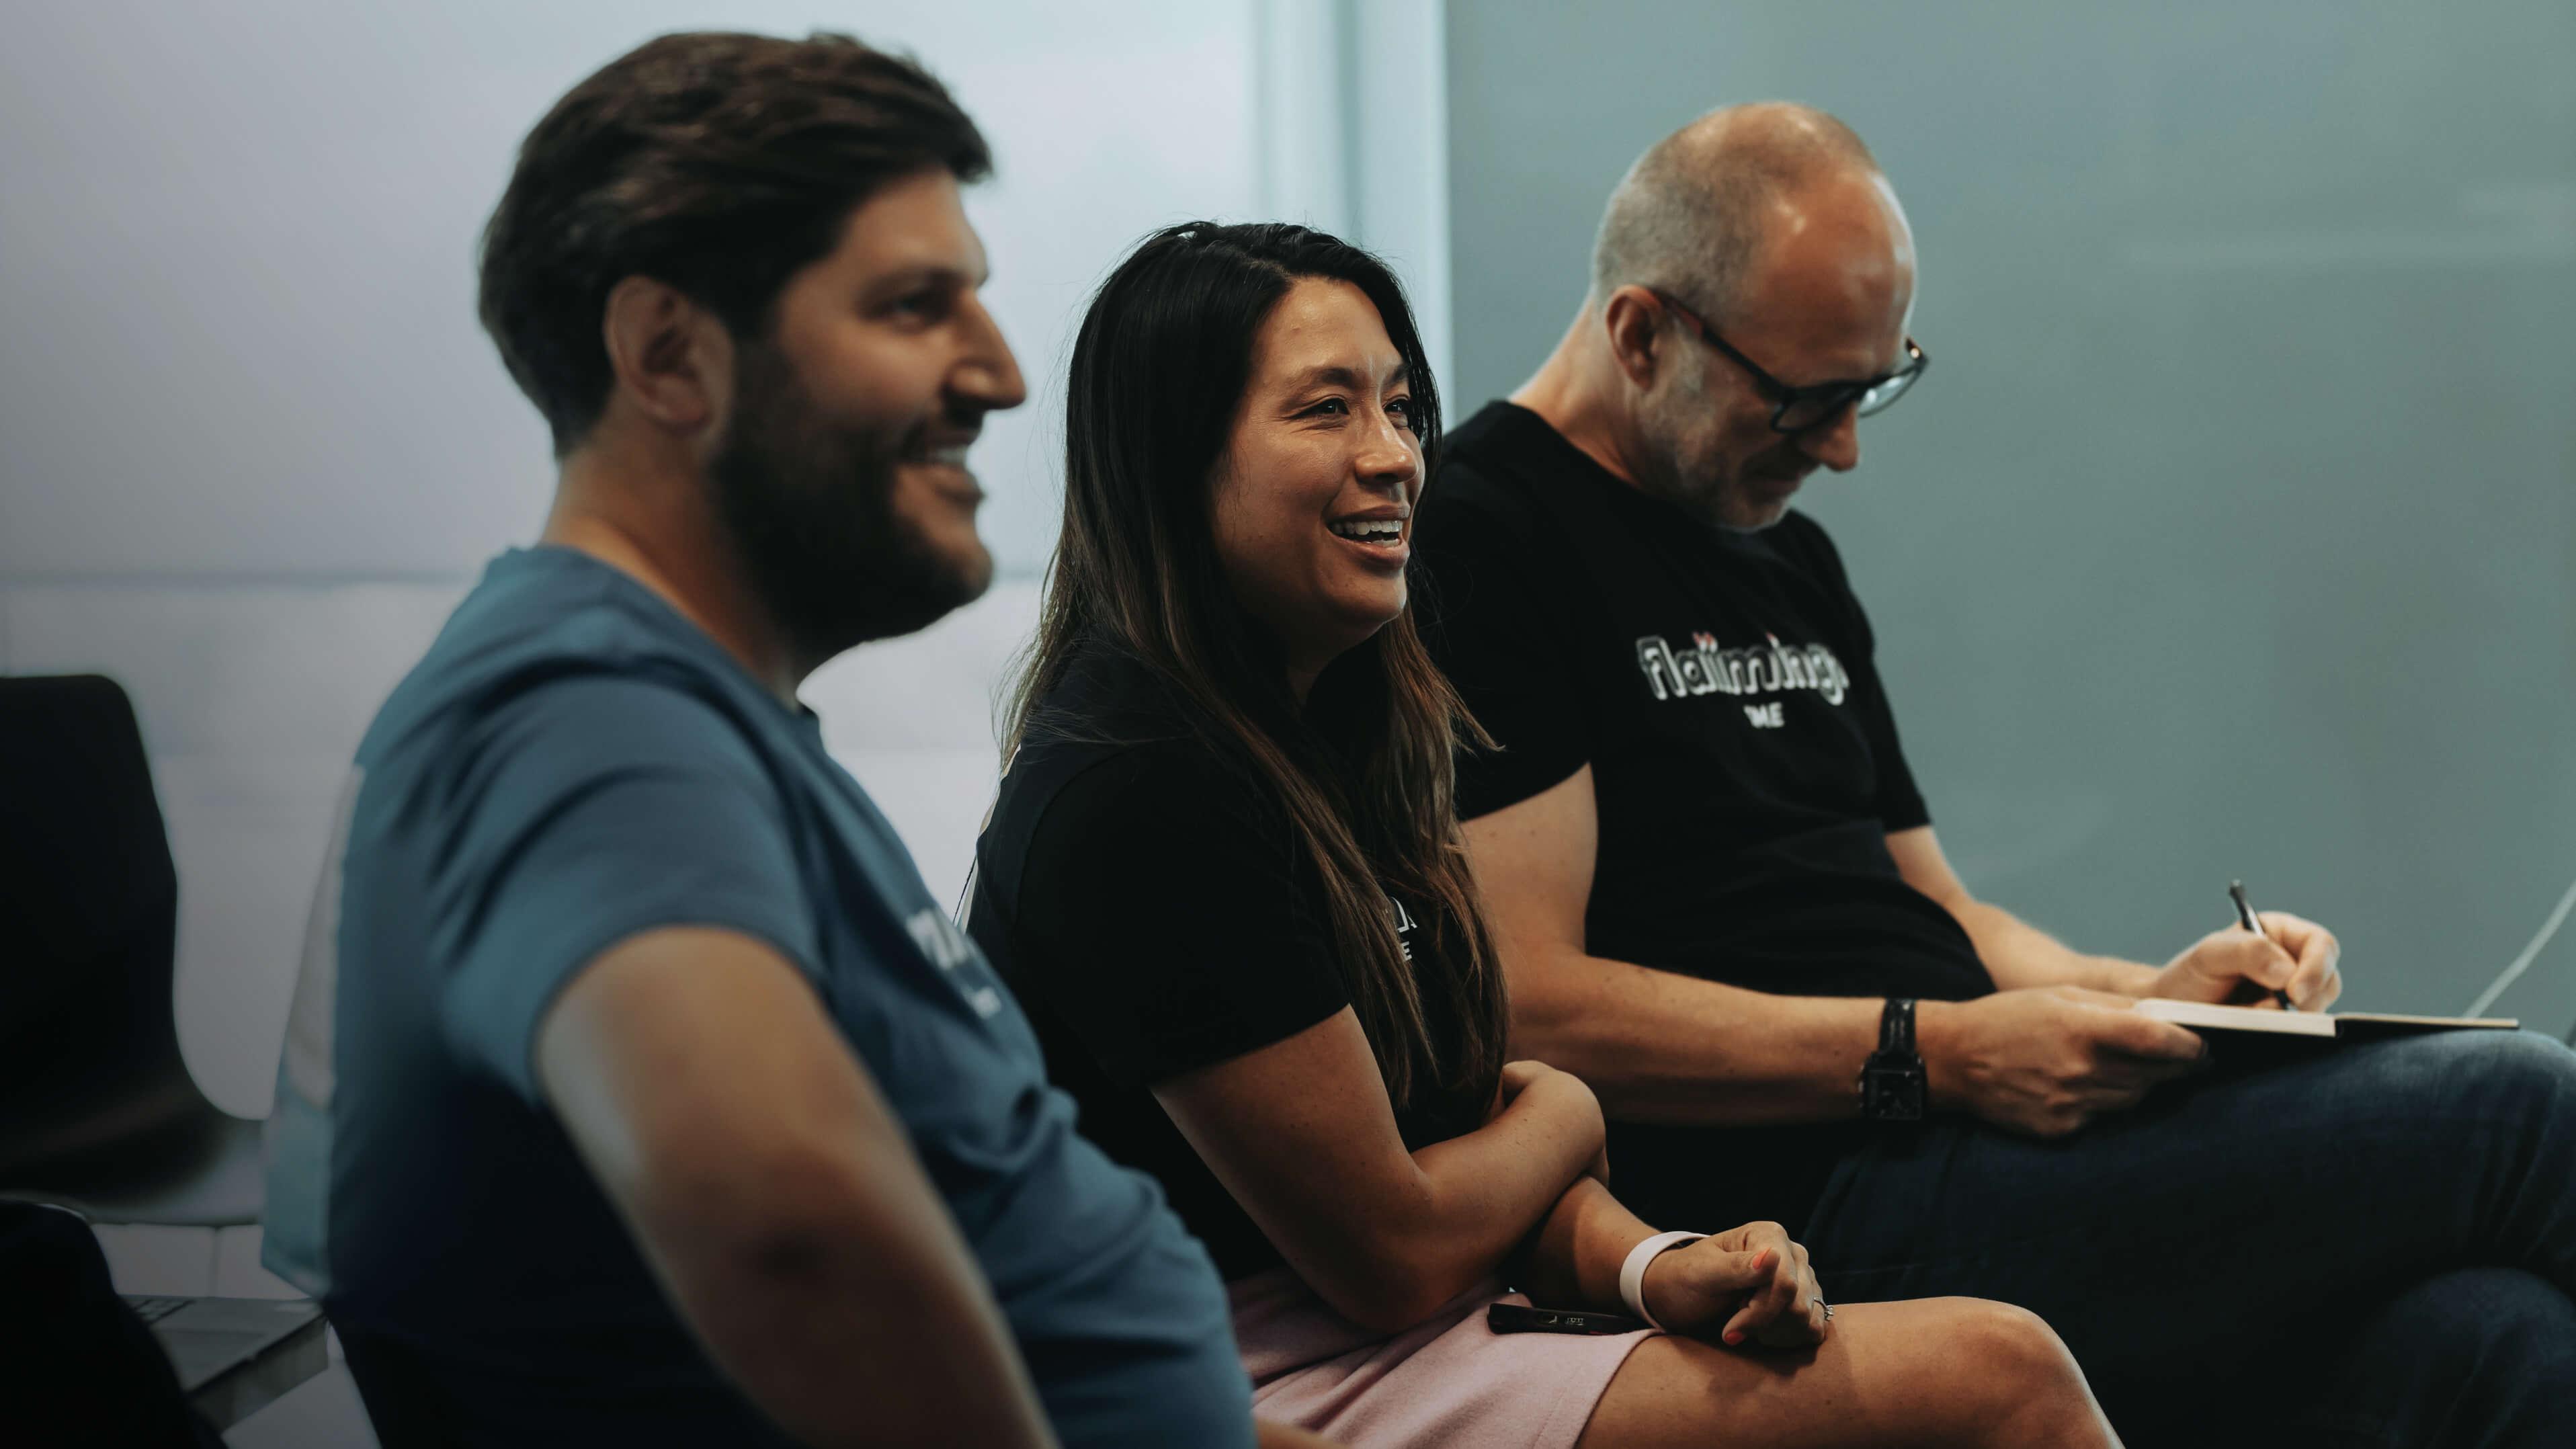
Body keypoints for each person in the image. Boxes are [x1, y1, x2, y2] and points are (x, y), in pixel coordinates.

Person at [1412, 101, 2576, 1442]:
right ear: (1641, 332)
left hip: (1959, 1134)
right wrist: (1934, 1055)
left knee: (2500, 1340)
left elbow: (1945, 914)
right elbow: (1529, 1002)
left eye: (1874, 386)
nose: (1843, 447)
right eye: (1805, 398)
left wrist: (2155, 996)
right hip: (1792, 1207)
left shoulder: (1780, 548)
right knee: (2525, 1109)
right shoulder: (1485, 539)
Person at [260, 33, 1325, 1448]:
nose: (1001, 376)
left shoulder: (693, 726)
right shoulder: (583, 717)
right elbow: (783, 1225)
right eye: (910, 306)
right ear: (667, 354)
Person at [968, 220, 2121, 1449]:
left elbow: (1458, 1141)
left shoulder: (1340, 730)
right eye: (1324, 412)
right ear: (1169, 462)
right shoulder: (1144, 788)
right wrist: (1569, 1109)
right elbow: (1395, 1250)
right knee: (1998, 1375)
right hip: (1258, 1374)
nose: (1394, 457)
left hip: (1432, 1317)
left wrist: (1656, 1265)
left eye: (1403, 408)